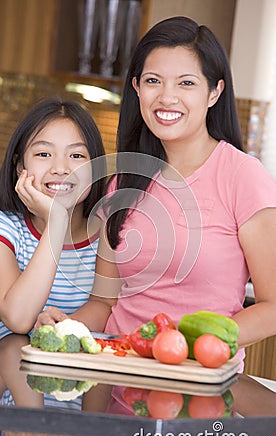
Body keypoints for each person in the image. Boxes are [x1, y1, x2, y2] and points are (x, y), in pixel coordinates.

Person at [36, 16, 276, 374]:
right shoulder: (123, 182)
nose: (167, 97)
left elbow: (272, 307)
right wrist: (68, 326)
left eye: (186, 83)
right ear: (136, 88)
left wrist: (186, 348)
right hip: (115, 379)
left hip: (198, 387)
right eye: (153, 81)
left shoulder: (244, 177)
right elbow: (105, 302)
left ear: (215, 92)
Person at [0, 97, 106, 408]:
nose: (60, 168)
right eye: (44, 153)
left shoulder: (109, 238)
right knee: (16, 346)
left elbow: (105, 311)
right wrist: (56, 222)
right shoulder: (1, 229)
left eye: (76, 155)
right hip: (1, 406)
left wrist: (62, 327)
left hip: (78, 406)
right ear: (21, 166)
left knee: (103, 354)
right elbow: (20, 319)